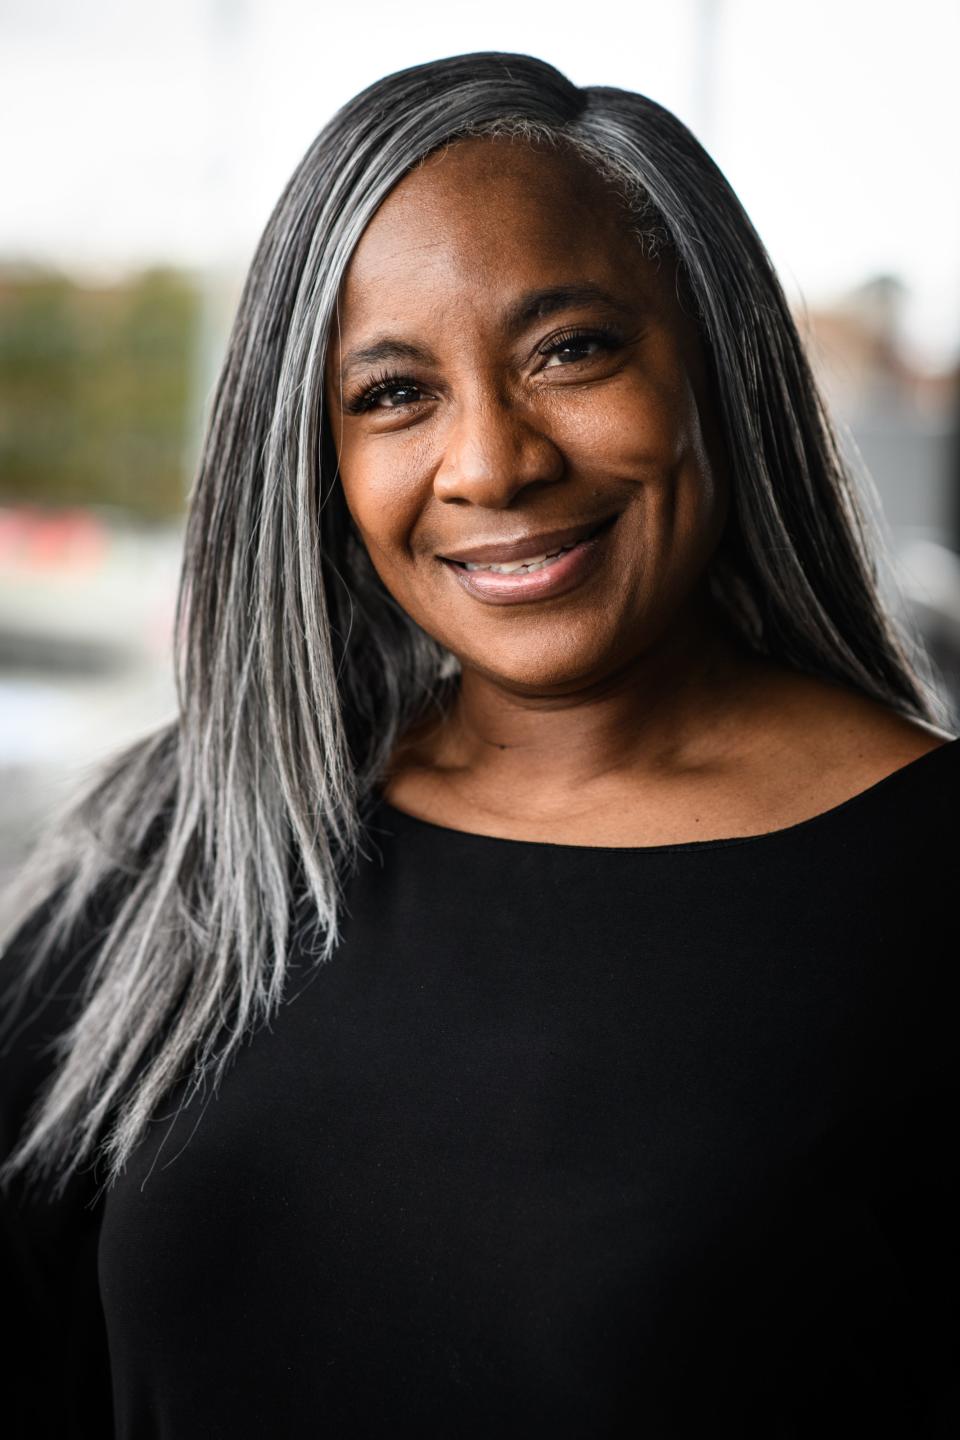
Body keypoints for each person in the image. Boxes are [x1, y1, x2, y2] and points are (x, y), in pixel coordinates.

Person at [1, 50, 957, 1438]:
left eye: (571, 351)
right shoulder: (189, 839)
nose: (493, 463)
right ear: (317, 459)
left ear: (715, 361)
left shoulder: (925, 895)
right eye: (393, 394)